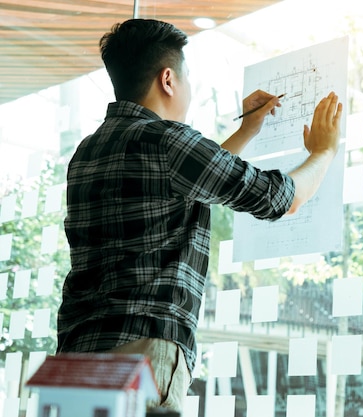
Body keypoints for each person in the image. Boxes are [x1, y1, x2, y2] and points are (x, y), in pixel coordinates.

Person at [56, 18, 342, 411]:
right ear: (168, 79)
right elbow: (278, 198)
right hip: (139, 347)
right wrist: (323, 153)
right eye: (187, 78)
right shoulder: (167, 141)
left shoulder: (86, 153)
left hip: (75, 355)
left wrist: (247, 131)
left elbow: (186, 191)